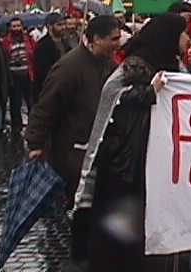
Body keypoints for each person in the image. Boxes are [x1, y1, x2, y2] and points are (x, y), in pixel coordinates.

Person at [87, 14, 189, 272]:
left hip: (155, 159)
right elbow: (115, 99)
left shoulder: (169, 63)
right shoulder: (136, 65)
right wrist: (149, 93)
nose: (187, 40)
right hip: (130, 165)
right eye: (184, 33)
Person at [25, 15, 121, 268]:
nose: (117, 44)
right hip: (72, 152)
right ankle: (80, 260)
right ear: (95, 39)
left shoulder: (107, 64)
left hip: (97, 149)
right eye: (112, 39)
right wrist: (35, 143)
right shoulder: (69, 67)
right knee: (80, 207)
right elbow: (46, 106)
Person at [1, 17, 36, 133]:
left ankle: (33, 125)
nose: (16, 28)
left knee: (31, 101)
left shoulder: (29, 39)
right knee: (15, 103)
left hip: (27, 74)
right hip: (14, 76)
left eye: (18, 26)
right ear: (10, 28)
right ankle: (17, 127)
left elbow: (34, 54)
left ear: (22, 27)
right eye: (14, 26)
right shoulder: (6, 41)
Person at [32, 13, 70, 103]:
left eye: (64, 24)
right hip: (50, 89)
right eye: (59, 25)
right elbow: (43, 71)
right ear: (49, 26)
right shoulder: (42, 45)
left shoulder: (66, 43)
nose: (63, 27)